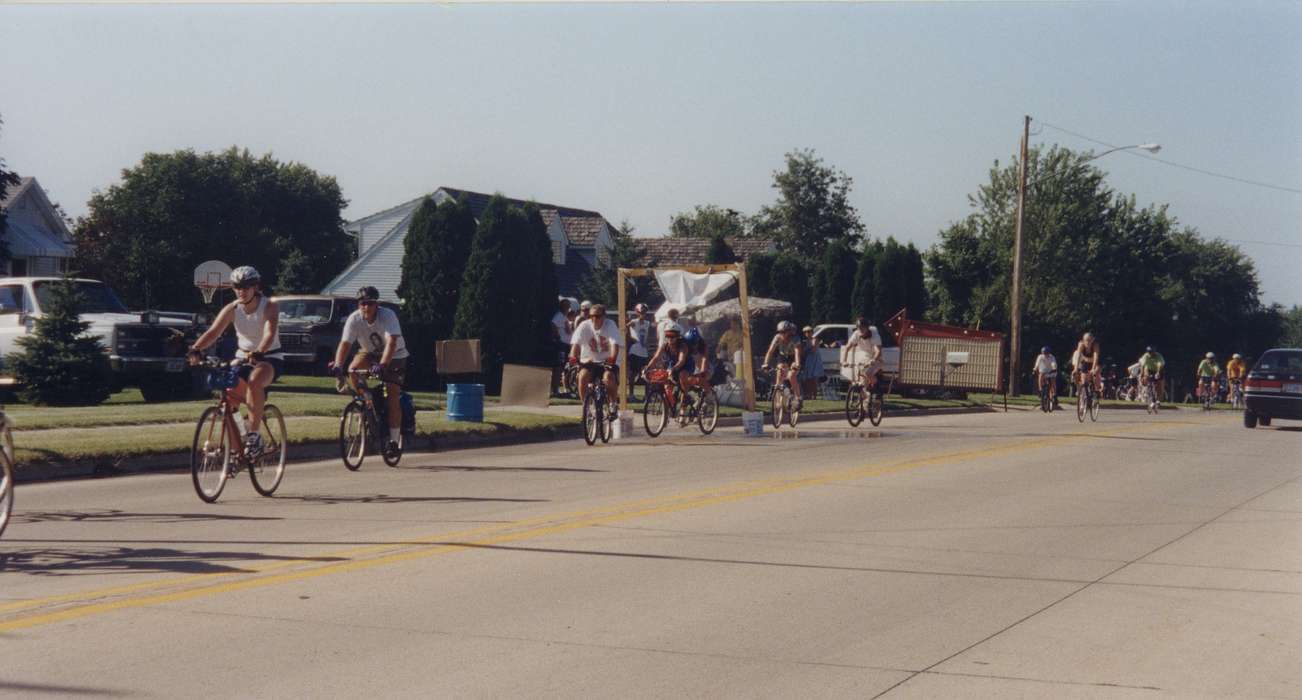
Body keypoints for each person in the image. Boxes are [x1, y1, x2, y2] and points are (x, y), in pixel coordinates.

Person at [187, 265, 283, 457]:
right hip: (242, 357)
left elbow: (269, 332)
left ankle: (254, 435)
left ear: (255, 287)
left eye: (246, 287)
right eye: (237, 287)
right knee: (227, 398)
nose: (241, 291)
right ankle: (236, 450)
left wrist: (259, 351)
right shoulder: (232, 308)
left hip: (268, 357)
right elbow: (213, 332)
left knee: (255, 381)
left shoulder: (269, 305)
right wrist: (195, 349)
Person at [331, 286, 409, 452]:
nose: (366, 307)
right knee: (352, 369)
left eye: (370, 304)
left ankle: (394, 441)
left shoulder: (387, 316)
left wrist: (382, 365)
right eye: (362, 304)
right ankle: (367, 398)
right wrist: (338, 364)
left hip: (395, 355)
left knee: (392, 394)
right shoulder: (354, 319)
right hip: (370, 353)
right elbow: (345, 344)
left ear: (376, 305)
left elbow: (391, 343)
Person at [569, 303, 621, 413]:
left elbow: (614, 344)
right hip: (589, 360)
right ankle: (586, 406)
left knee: (608, 377)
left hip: (607, 360)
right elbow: (576, 344)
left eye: (597, 316)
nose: (594, 318)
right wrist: (573, 357)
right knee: (582, 376)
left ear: (604, 316)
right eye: (591, 316)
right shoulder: (584, 325)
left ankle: (613, 403)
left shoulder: (610, 324)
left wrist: (612, 358)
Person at [761, 321, 804, 410]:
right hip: (783, 356)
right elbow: (770, 351)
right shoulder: (777, 337)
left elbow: (797, 352)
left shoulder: (795, 338)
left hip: (793, 357)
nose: (782, 334)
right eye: (780, 332)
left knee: (791, 376)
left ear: (789, 331)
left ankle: (798, 398)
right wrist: (765, 363)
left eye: (784, 332)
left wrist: (797, 364)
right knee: (779, 374)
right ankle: (778, 402)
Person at [841, 317, 883, 392]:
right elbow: (847, 347)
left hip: (876, 358)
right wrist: (844, 361)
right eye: (859, 327)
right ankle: (863, 398)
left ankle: (877, 390)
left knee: (867, 373)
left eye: (862, 327)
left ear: (867, 327)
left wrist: (873, 360)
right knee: (859, 375)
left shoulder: (874, 335)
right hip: (864, 357)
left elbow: (878, 351)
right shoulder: (856, 334)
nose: (860, 329)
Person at [625, 303, 653, 398]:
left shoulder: (647, 323)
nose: (643, 314)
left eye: (644, 312)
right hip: (635, 350)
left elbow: (647, 336)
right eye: (641, 312)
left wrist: (647, 345)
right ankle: (631, 394)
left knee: (646, 373)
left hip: (644, 352)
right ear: (637, 312)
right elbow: (624, 328)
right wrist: (630, 338)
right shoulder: (634, 322)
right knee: (632, 373)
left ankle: (647, 395)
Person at [550, 298, 572, 396]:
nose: (568, 307)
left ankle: (558, 389)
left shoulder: (564, 317)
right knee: (558, 367)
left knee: (563, 367)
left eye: (569, 305)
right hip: (561, 345)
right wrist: (558, 337)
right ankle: (555, 390)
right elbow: (553, 324)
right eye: (566, 305)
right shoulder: (559, 316)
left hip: (565, 345)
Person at [799, 326, 824, 399]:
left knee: (814, 378)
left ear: (812, 332)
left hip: (815, 360)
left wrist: (805, 352)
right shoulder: (805, 341)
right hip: (808, 360)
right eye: (805, 332)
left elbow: (813, 350)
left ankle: (814, 396)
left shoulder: (815, 339)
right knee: (808, 378)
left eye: (809, 331)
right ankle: (809, 395)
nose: (807, 333)